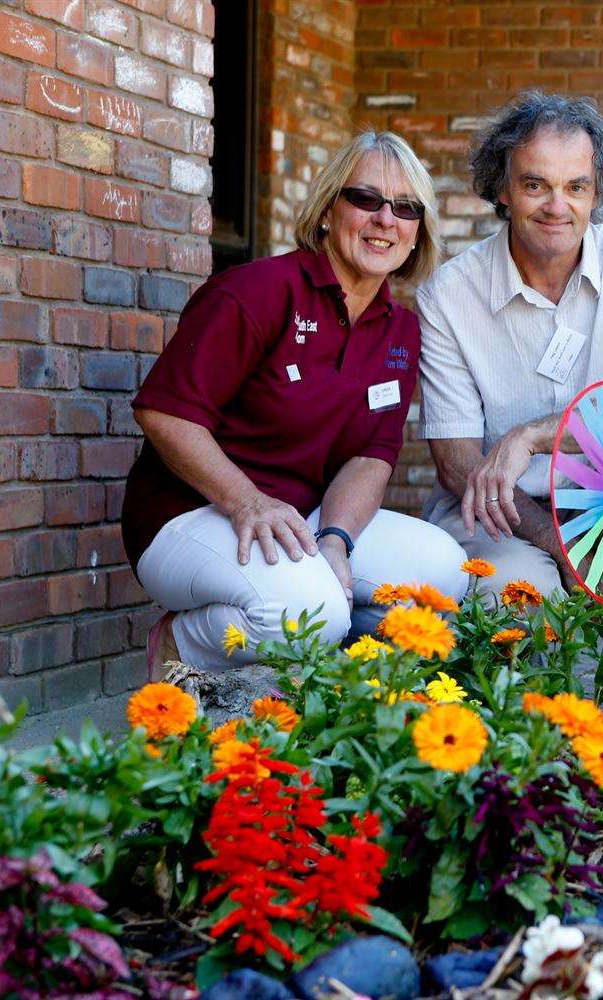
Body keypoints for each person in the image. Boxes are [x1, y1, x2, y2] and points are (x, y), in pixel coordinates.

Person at [123, 131, 468, 674]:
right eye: (366, 198)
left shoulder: (400, 329)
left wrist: (336, 540)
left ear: (417, 232)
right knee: (311, 611)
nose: (385, 219)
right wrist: (246, 502)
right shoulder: (257, 291)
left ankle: (330, 688)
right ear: (328, 210)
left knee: (443, 571)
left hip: (301, 520)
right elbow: (165, 412)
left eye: (405, 207)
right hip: (190, 515)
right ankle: (181, 644)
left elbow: (370, 456)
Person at [417, 92, 603, 597]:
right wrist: (561, 545)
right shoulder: (449, 295)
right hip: (500, 515)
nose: (557, 207)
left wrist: (532, 437)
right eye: (535, 185)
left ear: (598, 193)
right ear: (502, 190)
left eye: (576, 187)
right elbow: (457, 463)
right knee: (524, 593)